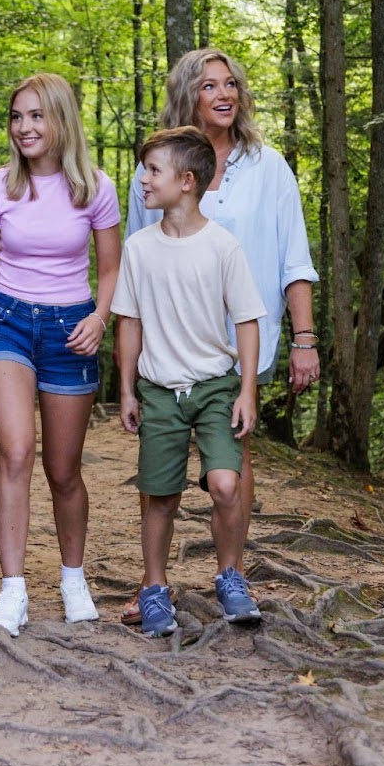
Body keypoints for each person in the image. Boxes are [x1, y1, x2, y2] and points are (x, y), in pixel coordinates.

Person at [121, 48, 320, 622]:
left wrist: (305, 340)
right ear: (189, 95)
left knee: (230, 462)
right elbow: (140, 259)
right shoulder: (157, 166)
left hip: (241, 342)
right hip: (168, 346)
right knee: (158, 471)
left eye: (231, 83)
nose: (224, 93)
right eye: (209, 85)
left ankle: (231, 574)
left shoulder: (269, 166)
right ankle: (150, 582)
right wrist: (131, 374)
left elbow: (294, 261)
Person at [0, 74, 121, 635]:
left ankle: (72, 578)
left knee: (63, 470)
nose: (24, 127)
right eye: (16, 116)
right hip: (6, 323)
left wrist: (99, 318)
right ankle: (12, 591)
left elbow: (112, 269)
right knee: (15, 452)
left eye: (36, 116)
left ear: (61, 122)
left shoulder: (95, 188)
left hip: (70, 330)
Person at [112, 127, 268, 637]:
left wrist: (246, 389)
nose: (143, 180)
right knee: (160, 495)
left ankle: (230, 576)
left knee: (226, 483)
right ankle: (155, 587)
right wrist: (128, 388)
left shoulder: (222, 246)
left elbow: (247, 320)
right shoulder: (138, 248)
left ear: (187, 180)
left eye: (153, 171)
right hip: (160, 391)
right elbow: (129, 321)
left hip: (216, 387)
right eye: (143, 170)